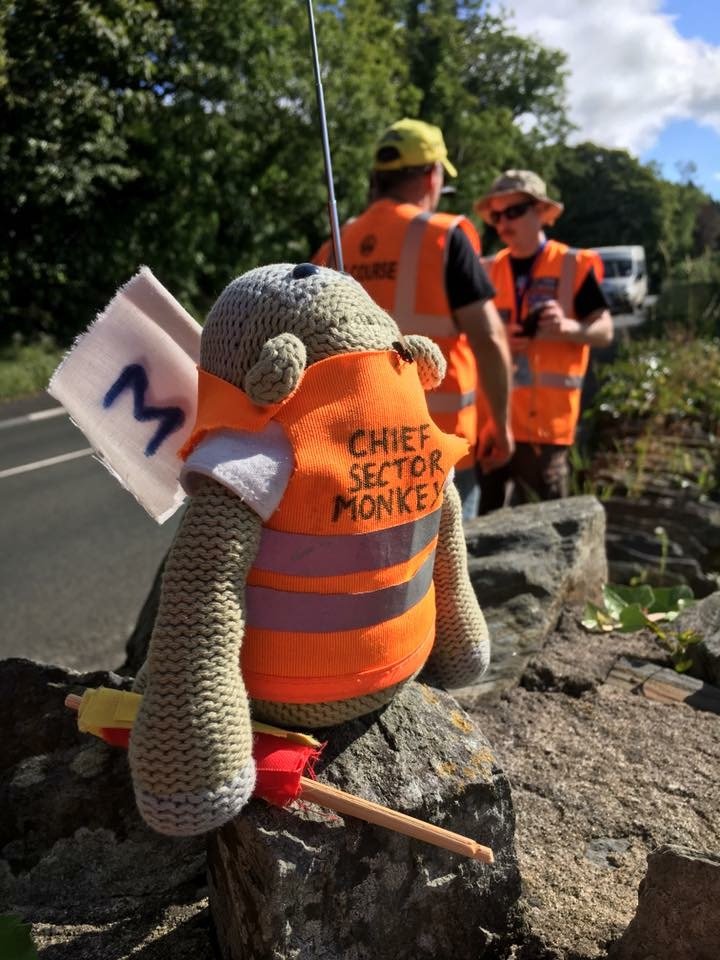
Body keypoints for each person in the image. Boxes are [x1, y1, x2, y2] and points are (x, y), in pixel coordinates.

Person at [313, 118, 513, 520]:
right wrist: (501, 425)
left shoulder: (337, 242)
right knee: (447, 557)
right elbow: (489, 338)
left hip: (356, 448)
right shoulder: (443, 236)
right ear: (431, 175)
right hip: (439, 450)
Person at [473, 169, 613, 511]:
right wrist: (499, 338)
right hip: (492, 425)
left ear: (540, 212)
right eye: (497, 215)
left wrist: (568, 328)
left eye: (514, 211)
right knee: (480, 526)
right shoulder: (485, 270)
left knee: (545, 524)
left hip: (545, 432)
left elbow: (605, 331)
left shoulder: (572, 265)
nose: (504, 222)